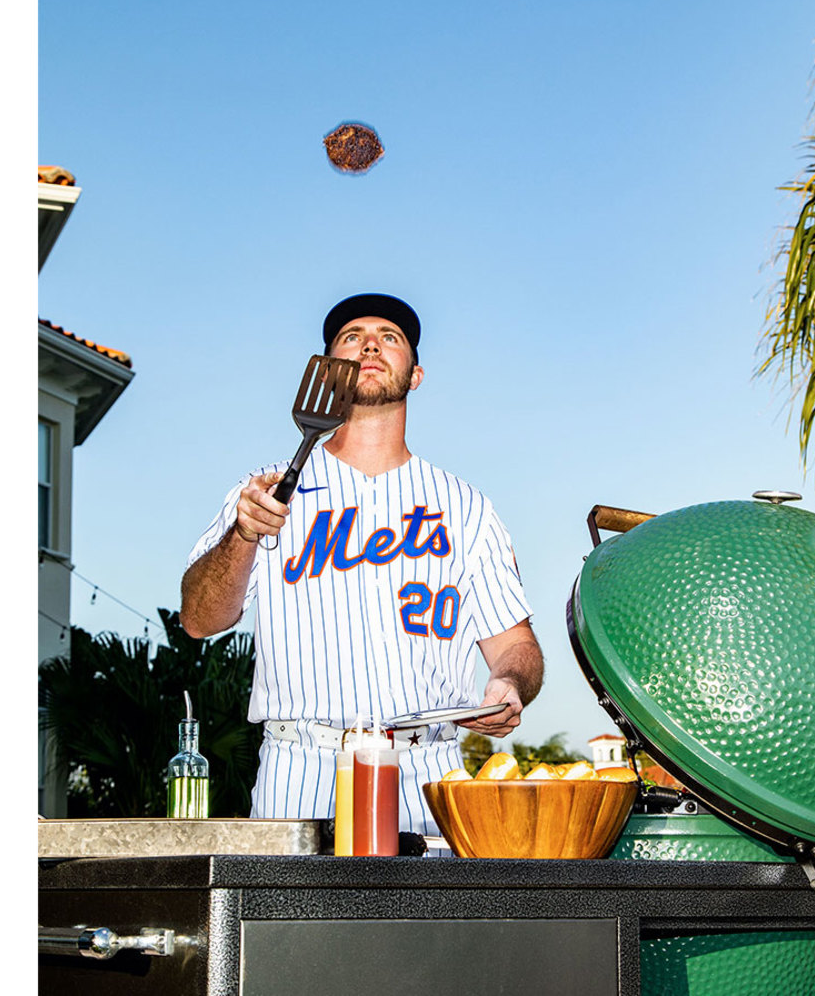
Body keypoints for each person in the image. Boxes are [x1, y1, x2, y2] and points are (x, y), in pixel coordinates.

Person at [179, 293, 544, 840]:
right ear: (328, 371)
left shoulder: (466, 506)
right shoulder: (265, 490)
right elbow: (198, 619)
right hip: (300, 768)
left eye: (389, 337)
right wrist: (244, 534)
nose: (370, 343)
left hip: (428, 773)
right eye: (352, 336)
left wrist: (510, 684)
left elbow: (515, 645)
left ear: (416, 374)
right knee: (287, 927)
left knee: (430, 928)